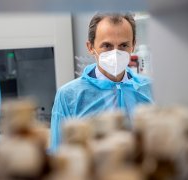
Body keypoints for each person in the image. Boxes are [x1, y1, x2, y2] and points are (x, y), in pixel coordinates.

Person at [50, 13, 153, 152]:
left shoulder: (150, 89)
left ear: (133, 45)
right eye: (107, 46)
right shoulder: (69, 96)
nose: (116, 53)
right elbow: (58, 154)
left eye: (123, 45)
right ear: (90, 47)